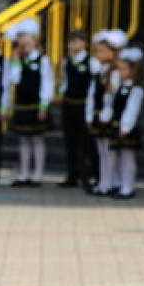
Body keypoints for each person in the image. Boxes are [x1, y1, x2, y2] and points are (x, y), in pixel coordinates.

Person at [3, 18, 53, 187]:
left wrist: (44, 105)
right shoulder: (17, 61)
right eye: (22, 42)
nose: (25, 45)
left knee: (37, 139)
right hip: (22, 104)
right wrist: (16, 60)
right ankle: (24, 173)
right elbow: (14, 80)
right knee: (24, 139)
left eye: (28, 42)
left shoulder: (43, 60)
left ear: (34, 41)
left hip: (36, 104)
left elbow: (47, 83)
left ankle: (37, 174)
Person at [87, 29, 125, 197]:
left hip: (106, 116)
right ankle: (103, 181)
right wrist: (89, 115)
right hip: (97, 114)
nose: (98, 54)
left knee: (109, 152)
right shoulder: (98, 71)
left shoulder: (114, 72)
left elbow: (111, 97)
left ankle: (110, 183)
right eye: (97, 51)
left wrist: (106, 114)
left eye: (102, 51)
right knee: (101, 152)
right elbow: (91, 94)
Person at [107, 47, 144, 200]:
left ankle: (128, 186)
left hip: (127, 128)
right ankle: (119, 183)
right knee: (118, 156)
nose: (120, 72)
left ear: (132, 70)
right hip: (117, 125)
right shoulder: (121, 87)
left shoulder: (136, 90)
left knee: (128, 158)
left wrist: (126, 127)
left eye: (122, 69)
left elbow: (132, 110)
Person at [58, 28, 93, 189]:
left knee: (84, 142)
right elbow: (65, 80)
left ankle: (86, 174)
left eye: (76, 41)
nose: (72, 45)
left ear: (84, 43)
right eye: (70, 42)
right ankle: (71, 174)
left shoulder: (91, 61)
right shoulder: (67, 61)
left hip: (84, 104)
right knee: (70, 141)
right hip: (69, 104)